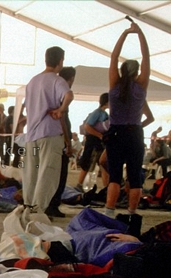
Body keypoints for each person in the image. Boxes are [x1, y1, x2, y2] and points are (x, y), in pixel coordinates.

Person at [104, 22, 153, 219]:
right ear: (136, 72)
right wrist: (140, 33)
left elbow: (113, 56)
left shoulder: (114, 83)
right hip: (134, 132)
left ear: (123, 70)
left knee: (114, 176)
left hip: (115, 132)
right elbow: (146, 57)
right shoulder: (141, 85)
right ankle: (132, 213)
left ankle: (108, 212)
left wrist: (125, 33)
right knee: (134, 177)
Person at [22, 46, 74, 215]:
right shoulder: (57, 80)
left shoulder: (32, 81)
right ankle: (38, 210)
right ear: (60, 61)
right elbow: (69, 95)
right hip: (50, 134)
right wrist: (61, 109)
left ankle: (28, 206)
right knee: (48, 174)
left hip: (31, 135)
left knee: (31, 173)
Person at [47, 66, 77, 219]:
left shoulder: (52, 89)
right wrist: (68, 142)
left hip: (48, 137)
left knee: (51, 173)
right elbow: (63, 119)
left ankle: (50, 204)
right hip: (60, 138)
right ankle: (53, 204)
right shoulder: (64, 93)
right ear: (71, 79)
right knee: (60, 174)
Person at [76, 92, 110, 192]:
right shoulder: (98, 113)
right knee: (88, 163)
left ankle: (106, 188)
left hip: (99, 142)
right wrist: (100, 135)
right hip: (93, 142)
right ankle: (79, 184)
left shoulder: (104, 113)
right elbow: (87, 126)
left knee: (103, 164)